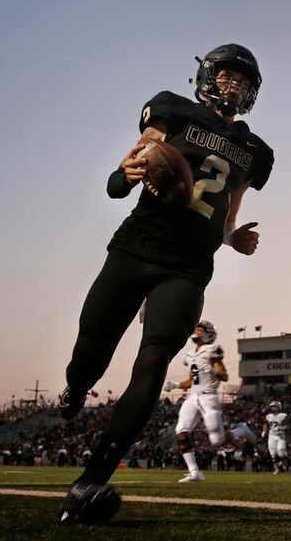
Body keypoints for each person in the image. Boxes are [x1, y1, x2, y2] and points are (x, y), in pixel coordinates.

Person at [56, 44, 274, 522]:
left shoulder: (256, 151)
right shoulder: (173, 108)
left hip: (189, 265)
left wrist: (234, 238)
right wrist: (125, 173)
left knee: (152, 362)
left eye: (244, 80)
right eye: (228, 74)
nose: (234, 84)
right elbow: (120, 179)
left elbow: (226, 216)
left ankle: (92, 478)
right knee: (91, 347)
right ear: (207, 75)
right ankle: (75, 385)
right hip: (137, 246)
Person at [164, 321, 256, 482]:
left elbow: (224, 376)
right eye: (197, 330)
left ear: (208, 334)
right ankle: (194, 472)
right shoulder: (191, 354)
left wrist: (213, 371)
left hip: (209, 397)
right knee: (181, 430)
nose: (197, 333)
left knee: (217, 440)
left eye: (200, 331)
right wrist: (176, 385)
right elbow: (192, 380)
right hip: (193, 397)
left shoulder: (212, 350)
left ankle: (241, 430)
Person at [262, 401, 289, 474]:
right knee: (273, 453)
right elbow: (265, 424)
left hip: (280, 436)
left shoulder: (283, 415)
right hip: (271, 435)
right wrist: (264, 431)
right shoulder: (268, 416)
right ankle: (277, 469)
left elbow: (288, 425)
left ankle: (284, 464)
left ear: (279, 407)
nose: (272, 408)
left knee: (281, 452)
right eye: (272, 406)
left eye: (274, 406)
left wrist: (282, 428)